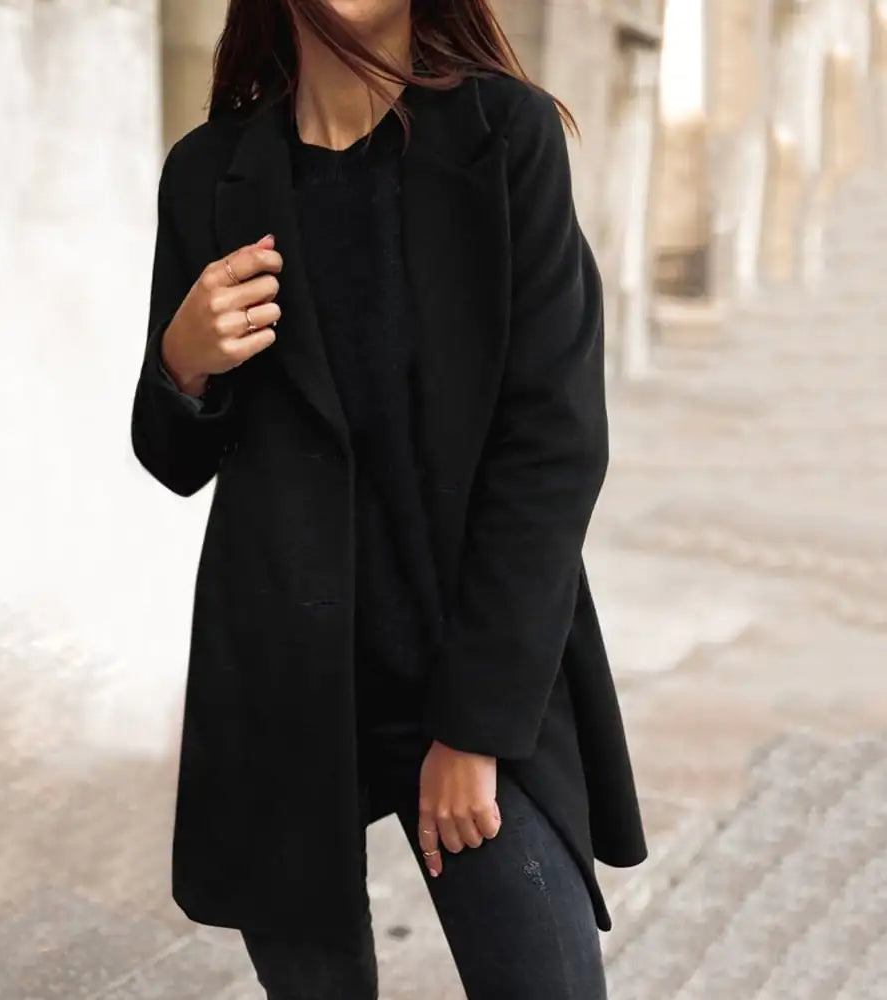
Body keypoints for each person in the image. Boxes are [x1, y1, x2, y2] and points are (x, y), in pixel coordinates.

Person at [129, 0, 649, 996]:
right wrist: (182, 364)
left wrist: (476, 727)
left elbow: (554, 447)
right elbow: (173, 457)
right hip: (286, 685)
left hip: (468, 662)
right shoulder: (209, 171)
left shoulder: (506, 136)